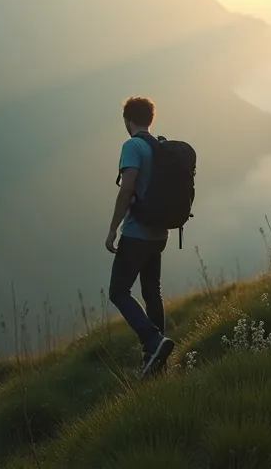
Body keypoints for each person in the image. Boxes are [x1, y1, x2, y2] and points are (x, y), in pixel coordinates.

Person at [105, 95, 175, 375]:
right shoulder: (160, 146)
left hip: (136, 233)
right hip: (160, 233)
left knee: (119, 292)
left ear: (127, 120)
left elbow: (127, 188)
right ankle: (155, 359)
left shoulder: (132, 146)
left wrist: (112, 229)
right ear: (150, 119)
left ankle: (153, 340)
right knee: (151, 291)